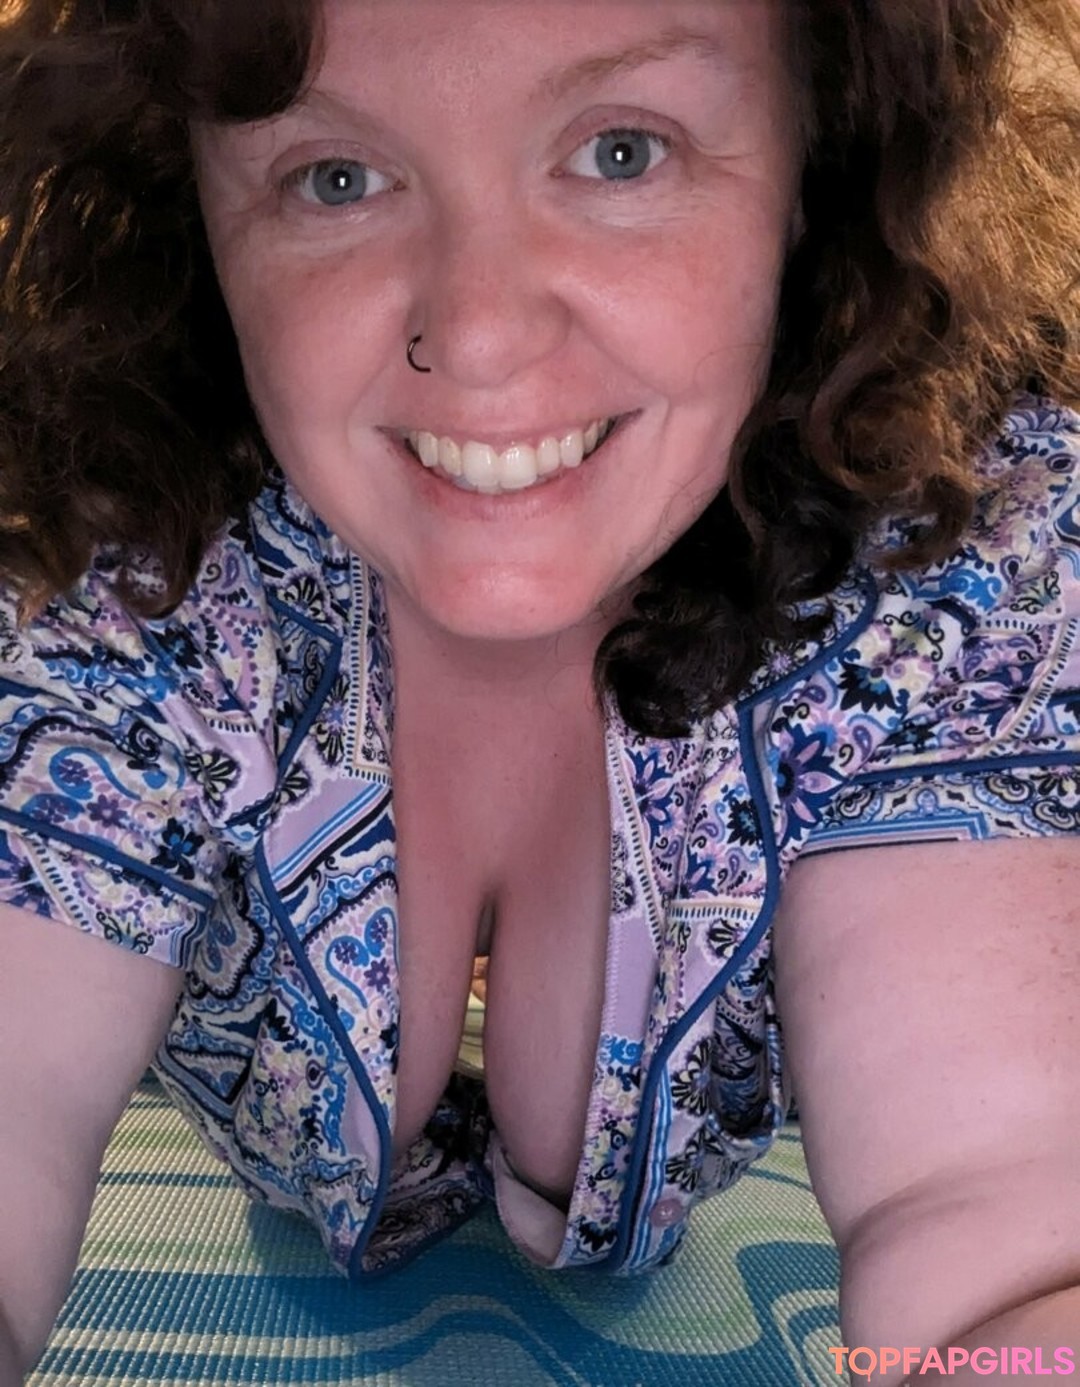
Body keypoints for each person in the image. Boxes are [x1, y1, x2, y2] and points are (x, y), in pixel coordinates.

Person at [0, 0, 1078, 1381]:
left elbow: (1003, 1231)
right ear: (191, 209)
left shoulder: (954, 559)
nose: (481, 334)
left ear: (824, 157)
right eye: (337, 177)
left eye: (624, 151)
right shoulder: (112, 568)